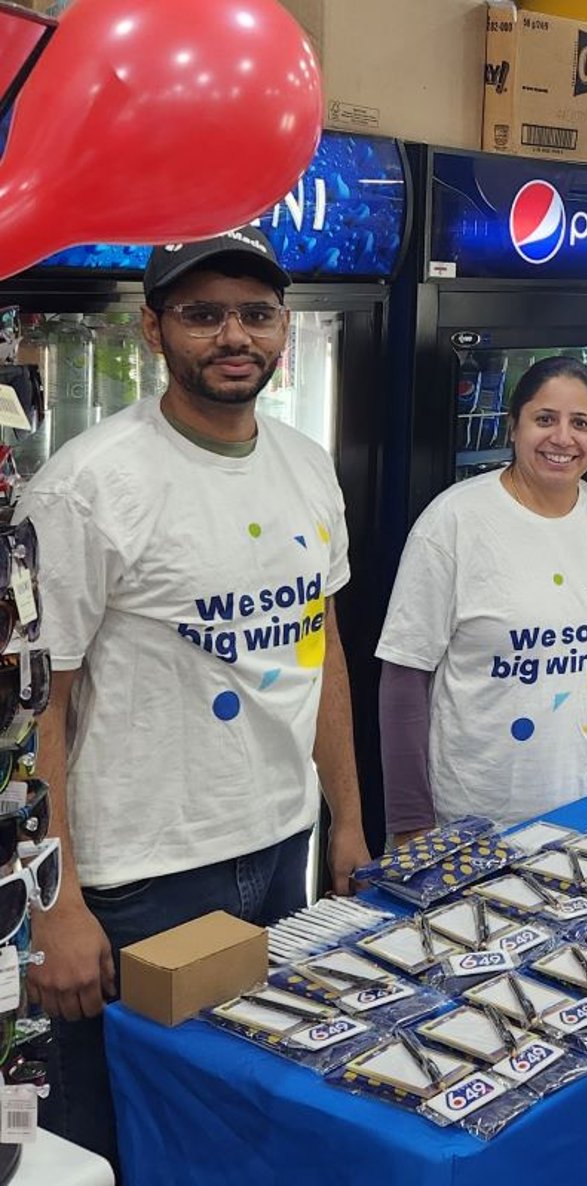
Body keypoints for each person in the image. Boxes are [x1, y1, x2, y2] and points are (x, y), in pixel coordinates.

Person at [20, 228, 371, 1169]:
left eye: (255, 315)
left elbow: (320, 647)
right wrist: (54, 905)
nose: (233, 336)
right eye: (203, 314)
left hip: (279, 851)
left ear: (283, 332)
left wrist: (346, 819)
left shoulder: (306, 464)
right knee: (129, 1135)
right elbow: (31, 708)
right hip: (141, 879)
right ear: (152, 330)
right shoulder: (87, 488)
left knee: (249, 1120)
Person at [377, 356, 587, 839]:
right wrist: (410, 826)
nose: (563, 438)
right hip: (473, 822)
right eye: (545, 419)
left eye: (580, 423)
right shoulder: (454, 521)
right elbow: (403, 678)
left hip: (586, 809)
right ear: (513, 426)